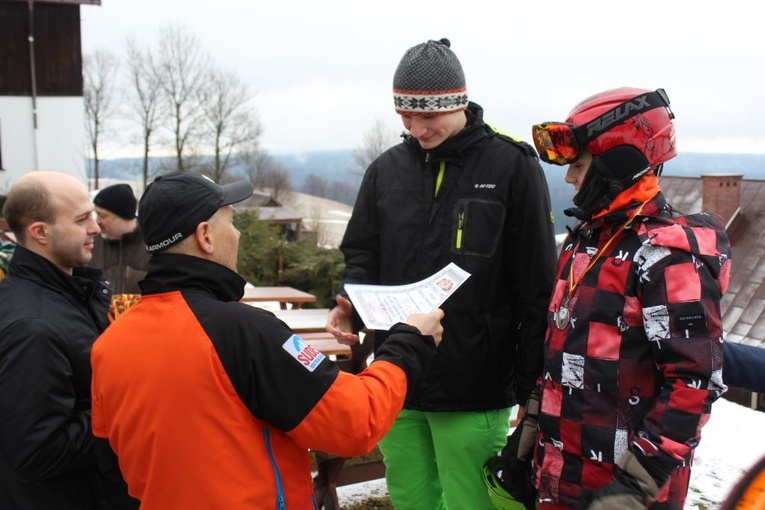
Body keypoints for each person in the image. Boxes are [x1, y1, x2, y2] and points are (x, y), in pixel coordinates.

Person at [90, 171, 444, 509]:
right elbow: (355, 420)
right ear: (205, 236)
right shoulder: (247, 332)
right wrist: (409, 343)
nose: (239, 234)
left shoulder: (110, 344)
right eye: (231, 221)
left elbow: (110, 460)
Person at [326, 38, 558, 509]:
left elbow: (538, 285)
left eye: (427, 116)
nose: (415, 128)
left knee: (471, 502)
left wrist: (532, 387)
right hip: (396, 376)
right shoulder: (385, 170)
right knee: (412, 499)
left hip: (475, 382)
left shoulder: (511, 166)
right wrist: (348, 305)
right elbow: (361, 254)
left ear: (457, 103)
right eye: (405, 117)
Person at [489, 87, 731, 510]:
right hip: (561, 479)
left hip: (625, 493)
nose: (569, 178)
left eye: (579, 166)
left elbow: (693, 384)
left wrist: (631, 491)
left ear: (617, 164)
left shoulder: (667, 258)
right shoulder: (582, 243)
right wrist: (524, 445)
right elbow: (557, 360)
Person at [0, 171, 136, 509]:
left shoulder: (69, 295)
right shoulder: (32, 327)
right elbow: (37, 451)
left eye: (93, 214)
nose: (95, 227)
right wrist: (129, 406)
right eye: (81, 219)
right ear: (40, 232)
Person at [90, 183, 150, 321]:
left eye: (103, 216)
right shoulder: (90, 245)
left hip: (144, 326)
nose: (97, 221)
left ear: (123, 215)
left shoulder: (153, 244)